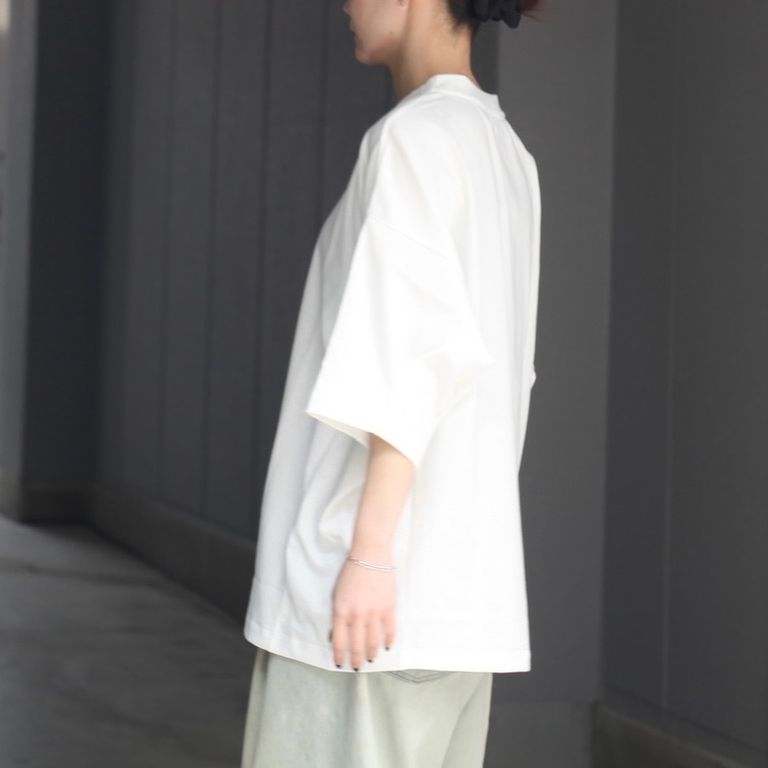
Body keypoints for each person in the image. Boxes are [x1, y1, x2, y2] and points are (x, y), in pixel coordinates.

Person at [240, 0, 542, 765]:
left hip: (368, 614)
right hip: (458, 604)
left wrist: (370, 556)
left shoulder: (413, 139)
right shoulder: (505, 152)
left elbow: (413, 356)